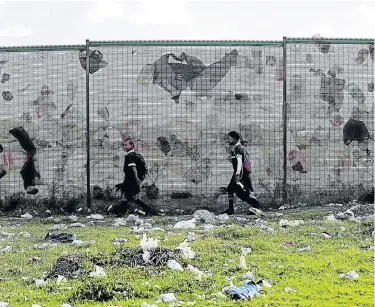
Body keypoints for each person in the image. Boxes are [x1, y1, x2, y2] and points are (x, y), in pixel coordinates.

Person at [222, 131, 263, 216]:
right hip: (241, 173)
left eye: (229, 138)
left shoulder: (238, 148)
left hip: (240, 174)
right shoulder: (237, 148)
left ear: (233, 138)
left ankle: (255, 205)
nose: (228, 141)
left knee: (241, 192)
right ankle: (231, 209)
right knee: (233, 190)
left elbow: (240, 162)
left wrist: (237, 174)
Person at [108, 139, 154, 216]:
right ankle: (147, 209)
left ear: (132, 145)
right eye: (123, 145)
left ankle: (116, 211)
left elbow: (133, 167)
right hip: (131, 180)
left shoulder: (129, 156)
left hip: (131, 181)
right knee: (132, 198)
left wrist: (136, 179)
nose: (124, 147)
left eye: (126, 145)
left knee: (126, 198)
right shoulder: (134, 155)